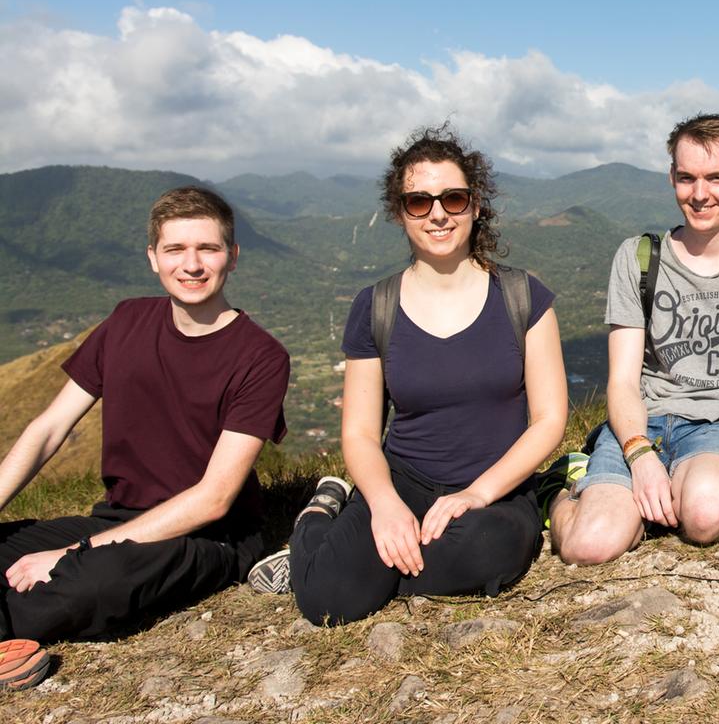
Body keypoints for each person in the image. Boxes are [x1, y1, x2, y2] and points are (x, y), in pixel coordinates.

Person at [250, 125, 567, 625]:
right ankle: (317, 520)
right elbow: (358, 432)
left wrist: (477, 493)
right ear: (400, 213)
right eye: (419, 202)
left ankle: (365, 567)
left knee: (487, 550)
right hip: (405, 480)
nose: (438, 213)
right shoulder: (376, 307)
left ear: (476, 205)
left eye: (453, 198)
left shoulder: (523, 297)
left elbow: (549, 419)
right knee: (328, 602)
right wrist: (384, 504)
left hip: (495, 487)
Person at [0, 186, 289, 689]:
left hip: (206, 536)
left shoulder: (260, 357)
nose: (192, 265)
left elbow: (214, 498)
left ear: (233, 257)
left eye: (209, 249)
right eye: (175, 249)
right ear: (153, 258)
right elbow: (48, 429)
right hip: (118, 517)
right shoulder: (125, 322)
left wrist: (74, 552)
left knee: (90, 584)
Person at [545, 113, 719, 564]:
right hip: (642, 423)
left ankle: (659, 501)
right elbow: (624, 381)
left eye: (716, 178)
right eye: (687, 178)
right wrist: (640, 455)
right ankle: (559, 487)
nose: (700, 193)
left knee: (705, 517)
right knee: (587, 546)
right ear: (672, 177)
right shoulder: (640, 258)